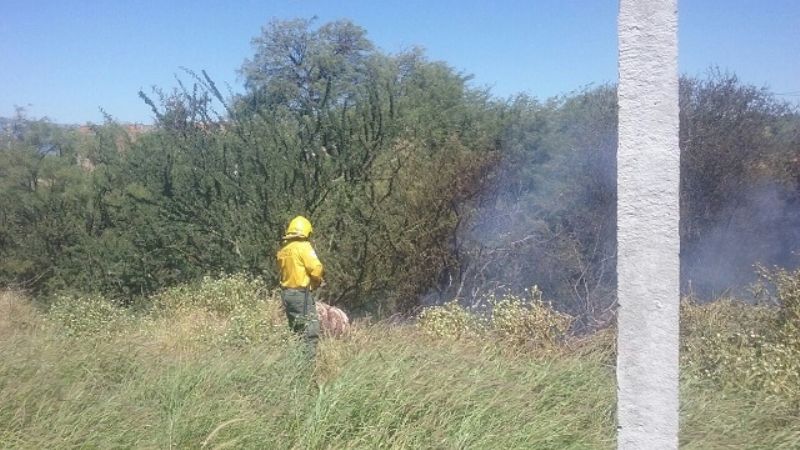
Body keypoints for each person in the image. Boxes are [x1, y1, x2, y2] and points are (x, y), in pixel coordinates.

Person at [276, 215, 324, 356]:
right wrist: (318, 281)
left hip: (287, 294)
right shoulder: (303, 247)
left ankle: (295, 366)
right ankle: (306, 369)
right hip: (301, 294)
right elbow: (316, 268)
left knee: (296, 331)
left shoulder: (284, 249)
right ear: (306, 232)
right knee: (310, 332)